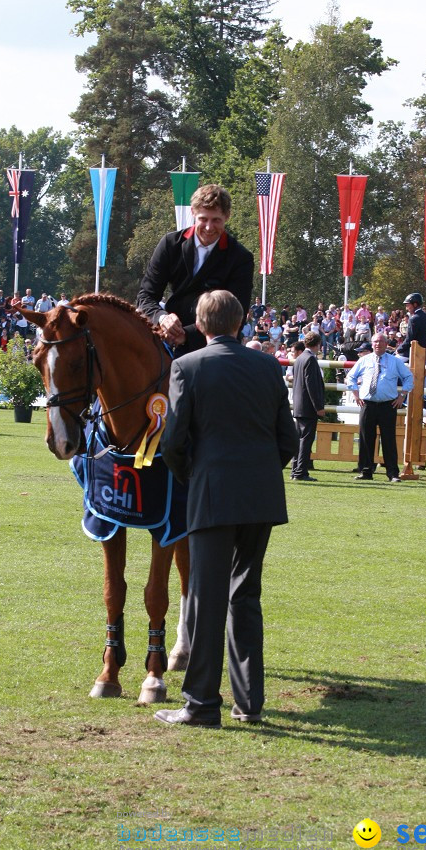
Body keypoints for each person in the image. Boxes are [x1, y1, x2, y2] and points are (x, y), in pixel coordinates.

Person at [155, 291, 298, 728]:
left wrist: (194, 479)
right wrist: (255, 474)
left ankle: (200, 703)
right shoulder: (268, 365)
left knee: (206, 599)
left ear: (201, 323)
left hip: (212, 492)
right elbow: (288, 441)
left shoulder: (188, 366)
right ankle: (249, 702)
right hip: (259, 495)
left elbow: (174, 442)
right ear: (240, 322)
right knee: (246, 596)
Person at [137, 184, 253, 355]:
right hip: (165, 339)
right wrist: (163, 318)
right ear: (193, 212)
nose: (208, 227)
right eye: (203, 219)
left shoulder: (240, 257)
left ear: (227, 217)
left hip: (213, 348)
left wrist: (187, 335)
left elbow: (236, 316)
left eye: (216, 220)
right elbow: (145, 296)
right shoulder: (170, 244)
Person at [348, 333, 413, 482]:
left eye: (380, 342)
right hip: (367, 404)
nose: (378, 344)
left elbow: (409, 377)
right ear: (372, 344)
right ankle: (365, 471)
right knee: (365, 438)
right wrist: (356, 394)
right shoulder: (364, 360)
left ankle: (393, 473)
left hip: (387, 405)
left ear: (385, 344)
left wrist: (402, 395)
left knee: (388, 439)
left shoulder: (394, 362)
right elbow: (351, 376)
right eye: (375, 342)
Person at [291, 332, 325, 482]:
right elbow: (311, 385)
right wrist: (318, 406)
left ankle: (295, 470)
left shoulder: (299, 359)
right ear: (318, 344)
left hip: (299, 405)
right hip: (308, 406)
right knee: (306, 440)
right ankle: (300, 472)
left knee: (299, 439)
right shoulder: (310, 359)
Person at [397, 292, 426, 361]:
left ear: (415, 304)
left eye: (408, 305)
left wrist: (399, 349)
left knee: (392, 363)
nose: (406, 308)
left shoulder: (413, 319)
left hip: (413, 352)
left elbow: (409, 339)